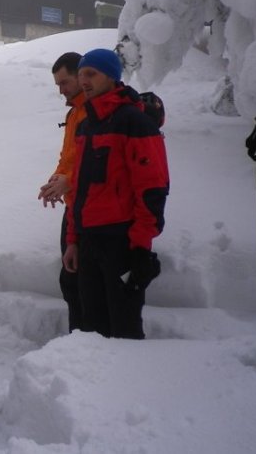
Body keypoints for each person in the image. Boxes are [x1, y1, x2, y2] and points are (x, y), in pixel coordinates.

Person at [61, 48, 169, 340]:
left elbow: (153, 188)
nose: (84, 80)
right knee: (92, 330)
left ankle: (128, 384)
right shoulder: (86, 126)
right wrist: (73, 240)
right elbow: (79, 191)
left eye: (91, 74)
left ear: (111, 75)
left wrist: (140, 246)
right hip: (88, 243)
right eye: (81, 74)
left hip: (121, 243)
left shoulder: (134, 122)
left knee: (124, 330)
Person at [37, 52, 86, 332]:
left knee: (80, 284)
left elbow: (93, 164)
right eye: (58, 85)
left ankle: (83, 342)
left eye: (65, 83)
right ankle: (76, 342)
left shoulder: (93, 113)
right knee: (70, 281)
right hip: (72, 208)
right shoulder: (74, 113)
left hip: (88, 209)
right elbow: (68, 158)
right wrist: (55, 181)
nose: (61, 90)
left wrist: (69, 181)